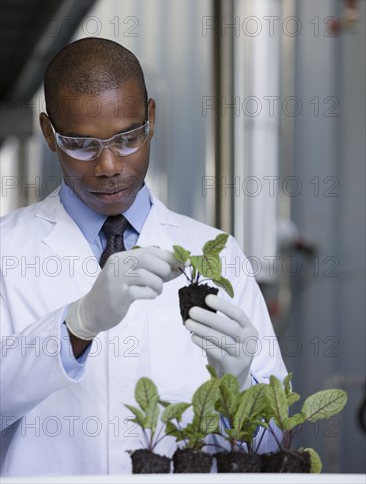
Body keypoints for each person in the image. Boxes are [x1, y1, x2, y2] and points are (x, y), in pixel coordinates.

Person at [0, 37, 287, 476]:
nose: (109, 165)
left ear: (150, 119)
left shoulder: (219, 255)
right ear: (48, 133)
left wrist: (239, 384)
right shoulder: (7, 250)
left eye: (128, 138)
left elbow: (274, 445)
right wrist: (74, 327)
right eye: (82, 144)